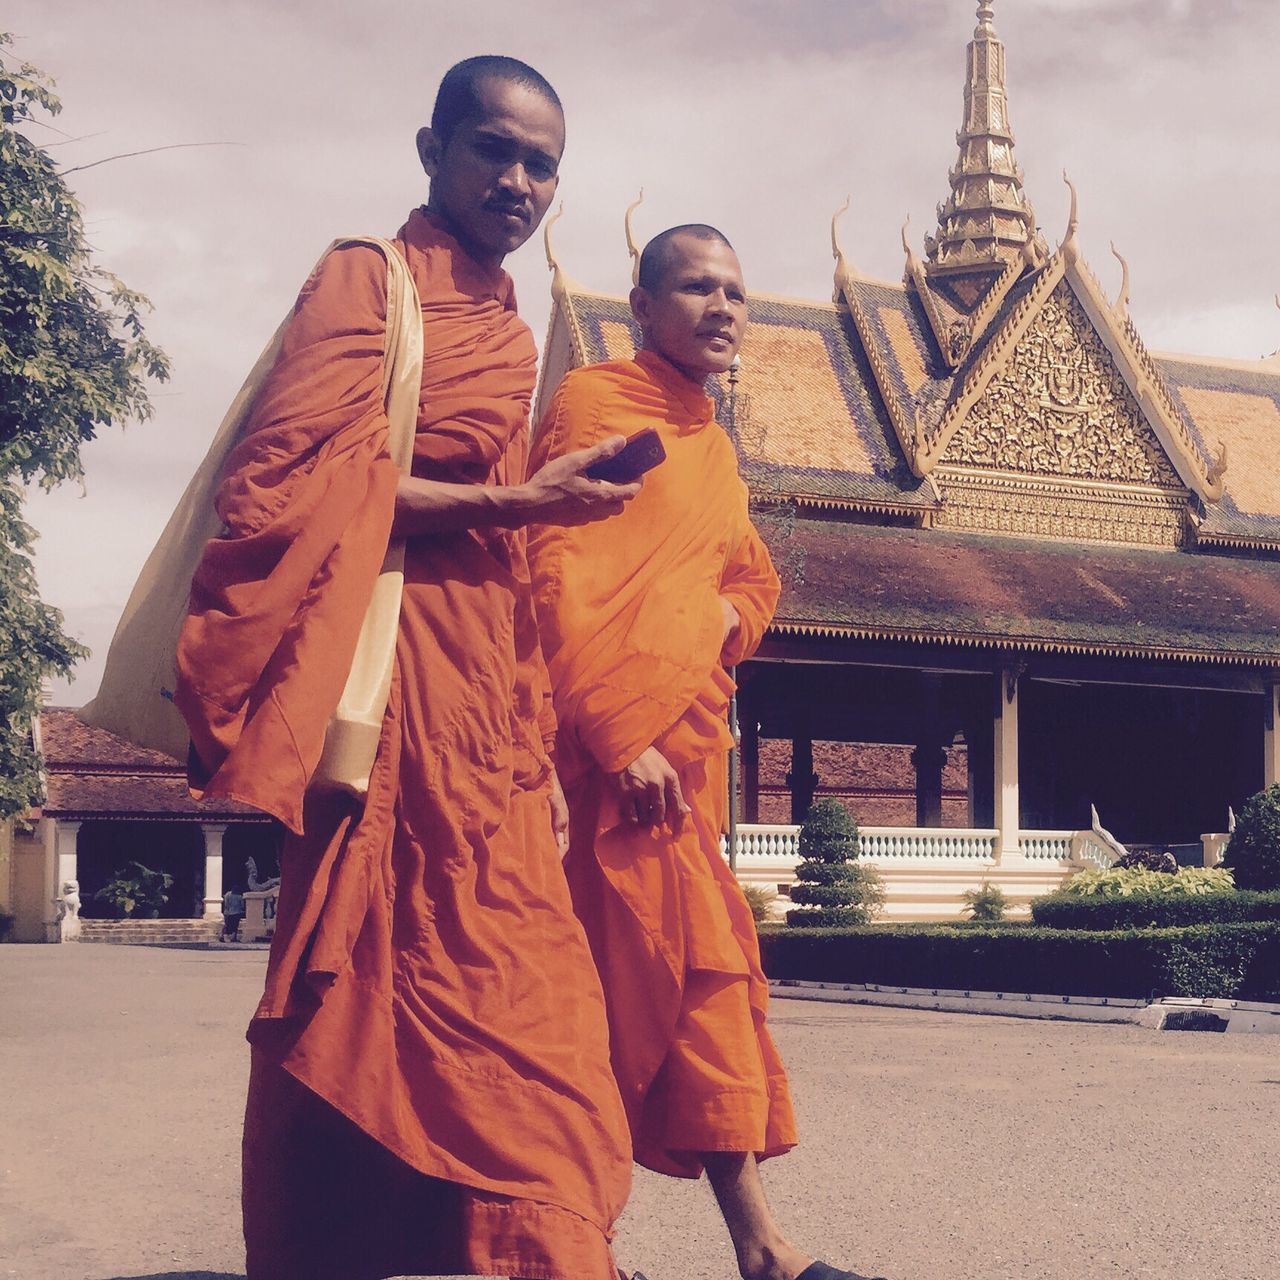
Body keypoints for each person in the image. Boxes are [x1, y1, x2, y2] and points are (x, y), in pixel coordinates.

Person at [174, 56, 639, 1280]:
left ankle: (521, 1242)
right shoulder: (364, 282)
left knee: (530, 996)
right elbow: (279, 491)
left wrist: (534, 733)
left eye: (544, 164)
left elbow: (503, 540)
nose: (521, 182)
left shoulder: (507, 321)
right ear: (430, 150)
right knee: (374, 972)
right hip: (382, 702)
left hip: (484, 698)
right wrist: (522, 495)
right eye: (495, 150)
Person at [527, 225, 884, 1280]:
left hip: (678, 768)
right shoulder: (595, 408)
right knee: (587, 1006)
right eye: (694, 287)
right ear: (640, 305)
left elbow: (749, 576)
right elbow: (554, 570)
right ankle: (570, 1244)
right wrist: (610, 724)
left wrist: (715, 623)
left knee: (705, 989)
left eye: (734, 290)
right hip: (603, 764)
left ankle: (764, 1248)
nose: (721, 307)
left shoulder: (715, 447)